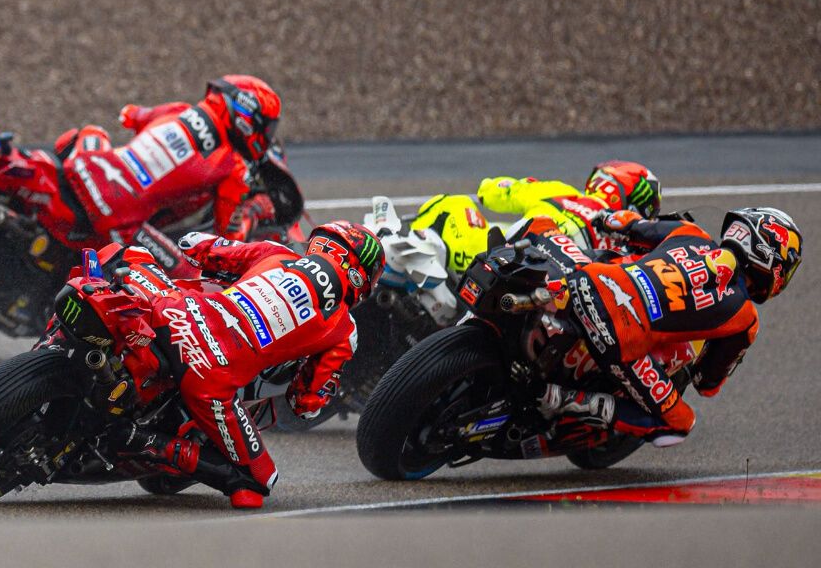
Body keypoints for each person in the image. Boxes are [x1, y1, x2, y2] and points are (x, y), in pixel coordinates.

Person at [106, 221, 384, 508]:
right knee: (259, 481)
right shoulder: (343, 329)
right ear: (358, 274)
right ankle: (143, 442)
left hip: (176, 311)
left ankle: (62, 334)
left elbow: (193, 244)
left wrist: (230, 272)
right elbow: (305, 403)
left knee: (123, 255)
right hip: (208, 374)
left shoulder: (277, 253)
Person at [537, 207, 801, 446]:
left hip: (587, 279)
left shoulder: (691, 233)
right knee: (680, 424)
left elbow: (625, 223)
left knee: (541, 225)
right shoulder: (745, 317)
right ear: (773, 259)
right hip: (620, 338)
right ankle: (564, 399)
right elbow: (706, 383)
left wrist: (603, 219)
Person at [53, 75, 283, 276]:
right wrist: (252, 211)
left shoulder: (179, 109)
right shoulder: (234, 166)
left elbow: (130, 115)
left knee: (92, 131)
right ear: (247, 118)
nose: (267, 135)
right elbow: (229, 239)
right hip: (120, 215)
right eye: (268, 128)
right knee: (189, 273)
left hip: (87, 167)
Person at [411, 160, 662, 272]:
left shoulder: (561, 192)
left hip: (495, 260)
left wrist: (506, 185)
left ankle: (414, 247)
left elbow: (489, 192)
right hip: (550, 295)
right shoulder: (629, 245)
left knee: (454, 203)